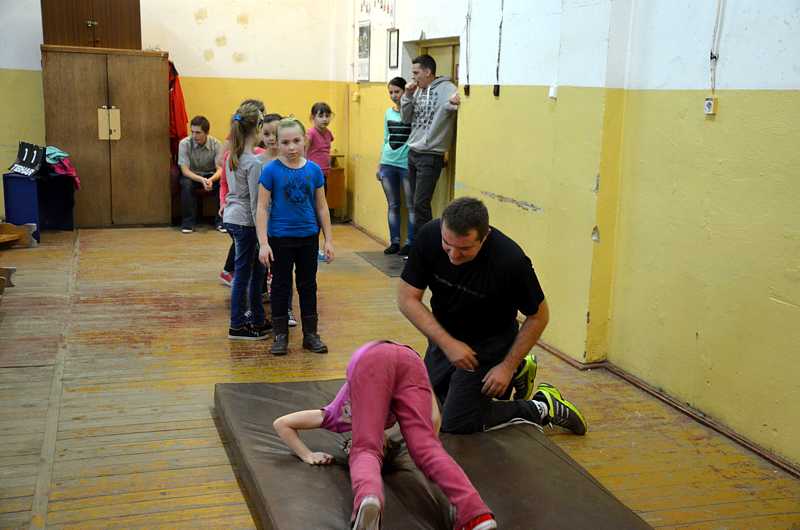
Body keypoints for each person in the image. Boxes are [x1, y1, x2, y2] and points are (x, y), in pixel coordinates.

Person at [397, 197, 587, 436]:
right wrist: (448, 344)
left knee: (456, 422)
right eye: (447, 244)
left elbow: (539, 317)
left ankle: (542, 406)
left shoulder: (510, 260)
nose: (453, 255)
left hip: (490, 343)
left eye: (464, 249)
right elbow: (407, 298)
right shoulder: (429, 236)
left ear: (484, 237)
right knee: (430, 408)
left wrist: (506, 366)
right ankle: (520, 370)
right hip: (446, 335)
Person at [273, 340, 498, 530]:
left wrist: (307, 455)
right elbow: (433, 417)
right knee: (426, 447)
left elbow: (282, 423)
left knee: (365, 448)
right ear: (387, 442)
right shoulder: (376, 417)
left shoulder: (336, 416)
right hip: (409, 358)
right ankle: (476, 515)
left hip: (373, 357)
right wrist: (432, 454)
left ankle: (368, 496)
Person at [256, 117, 334, 356]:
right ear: (277, 143)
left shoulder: (313, 170)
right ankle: (280, 336)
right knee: (280, 286)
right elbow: (262, 207)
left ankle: (311, 335)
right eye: (285, 142)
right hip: (280, 238)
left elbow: (322, 206)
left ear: (305, 141)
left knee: (308, 285)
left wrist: (328, 240)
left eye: (296, 141)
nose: (291, 147)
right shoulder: (270, 170)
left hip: (308, 237)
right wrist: (263, 243)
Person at [222, 103, 270, 340]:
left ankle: (258, 318)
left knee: (257, 271)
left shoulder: (233, 156)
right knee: (242, 275)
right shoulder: (253, 162)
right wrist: (263, 235)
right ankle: (237, 325)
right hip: (245, 222)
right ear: (258, 128)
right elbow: (255, 203)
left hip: (233, 217)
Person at [219, 112, 282, 295]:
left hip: (271, 218)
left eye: (275, 134)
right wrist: (223, 201)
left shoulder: (286, 160)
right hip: (252, 217)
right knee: (253, 260)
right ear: (258, 132)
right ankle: (249, 304)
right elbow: (227, 184)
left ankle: (262, 300)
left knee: (267, 260)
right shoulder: (254, 160)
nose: (271, 138)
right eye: (266, 133)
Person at [400, 54, 460, 242]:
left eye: (416, 73)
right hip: (413, 152)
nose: (413, 77)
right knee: (414, 203)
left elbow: (455, 105)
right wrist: (407, 96)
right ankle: (420, 243)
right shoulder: (416, 91)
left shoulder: (447, 89)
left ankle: (427, 245)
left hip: (431, 154)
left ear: (428, 72)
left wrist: (453, 104)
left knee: (421, 204)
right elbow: (405, 118)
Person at [377, 77, 414, 255]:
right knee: (393, 205)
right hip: (387, 163)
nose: (393, 95)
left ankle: (410, 242)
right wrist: (379, 165)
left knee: (411, 205)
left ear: (405, 91)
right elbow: (386, 138)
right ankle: (395, 242)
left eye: (397, 91)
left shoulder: (412, 112)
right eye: (390, 92)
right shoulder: (388, 113)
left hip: (406, 164)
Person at [178, 115, 224, 233]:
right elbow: (185, 170)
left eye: (198, 132)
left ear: (206, 132)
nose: (194, 136)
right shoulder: (184, 144)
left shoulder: (216, 144)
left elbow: (220, 169)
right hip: (192, 175)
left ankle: (221, 222)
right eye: (192, 132)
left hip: (211, 175)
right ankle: (188, 223)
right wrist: (201, 180)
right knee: (186, 184)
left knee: (223, 183)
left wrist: (210, 180)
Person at [306, 102, 334, 189]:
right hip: (312, 173)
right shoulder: (311, 133)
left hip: (324, 173)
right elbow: (303, 152)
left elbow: (326, 151)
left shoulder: (328, 133)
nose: (325, 119)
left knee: (323, 195)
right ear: (313, 117)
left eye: (327, 116)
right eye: (321, 116)